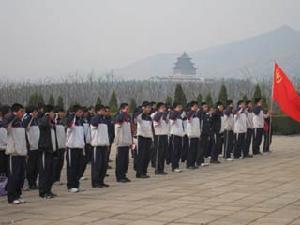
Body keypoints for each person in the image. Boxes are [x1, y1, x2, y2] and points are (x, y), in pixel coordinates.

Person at [4, 103, 27, 204]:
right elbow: (6, 121)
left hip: (21, 153)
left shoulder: (21, 122)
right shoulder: (10, 120)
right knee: (13, 176)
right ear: (15, 111)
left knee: (20, 176)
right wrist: (14, 115)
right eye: (21, 111)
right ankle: (11, 197)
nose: (23, 114)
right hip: (13, 153)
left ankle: (18, 195)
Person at [38, 105, 57, 199]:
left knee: (50, 172)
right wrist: (46, 116)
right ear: (48, 113)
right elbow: (42, 124)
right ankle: (43, 191)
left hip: (51, 151)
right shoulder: (43, 120)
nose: (54, 114)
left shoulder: (51, 122)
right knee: (44, 172)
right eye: (53, 112)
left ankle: (48, 190)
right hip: (45, 150)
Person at [65, 104, 85, 193]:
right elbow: (69, 124)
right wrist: (72, 115)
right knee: (71, 168)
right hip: (72, 148)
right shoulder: (71, 120)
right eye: (79, 112)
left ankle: (76, 185)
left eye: (82, 112)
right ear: (75, 112)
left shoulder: (80, 121)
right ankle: (70, 186)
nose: (81, 114)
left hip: (79, 147)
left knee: (78, 168)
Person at [90, 104, 110, 188]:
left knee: (103, 165)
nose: (104, 112)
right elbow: (94, 123)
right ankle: (95, 182)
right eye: (102, 110)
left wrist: (107, 143)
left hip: (104, 145)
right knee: (97, 165)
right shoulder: (95, 118)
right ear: (98, 111)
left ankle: (101, 181)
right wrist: (98, 115)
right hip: (97, 145)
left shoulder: (104, 120)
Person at [114, 103, 133, 182]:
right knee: (120, 161)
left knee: (125, 161)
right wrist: (123, 113)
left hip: (126, 142)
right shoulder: (119, 116)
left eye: (128, 109)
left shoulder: (127, 118)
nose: (127, 111)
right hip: (121, 142)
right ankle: (119, 177)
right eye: (126, 109)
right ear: (121, 109)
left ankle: (124, 175)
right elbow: (119, 121)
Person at [23, 105, 40, 190]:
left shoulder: (36, 120)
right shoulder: (27, 118)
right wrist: (31, 117)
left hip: (37, 147)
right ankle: (30, 183)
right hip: (31, 147)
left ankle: (34, 183)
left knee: (36, 166)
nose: (37, 113)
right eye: (35, 111)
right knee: (30, 167)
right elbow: (25, 127)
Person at [135, 101, 153, 178]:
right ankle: (139, 172)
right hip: (141, 137)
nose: (149, 109)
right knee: (141, 155)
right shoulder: (140, 116)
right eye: (148, 107)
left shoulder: (149, 117)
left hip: (148, 137)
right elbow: (135, 118)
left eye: (150, 108)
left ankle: (144, 171)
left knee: (147, 156)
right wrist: (141, 111)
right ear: (143, 108)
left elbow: (151, 128)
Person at [152, 102, 169, 174]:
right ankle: (157, 169)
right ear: (158, 108)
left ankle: (161, 169)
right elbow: (155, 123)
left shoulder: (165, 115)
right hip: (158, 135)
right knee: (159, 153)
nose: (164, 109)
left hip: (164, 134)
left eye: (164, 107)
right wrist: (160, 113)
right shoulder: (155, 114)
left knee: (163, 153)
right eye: (162, 107)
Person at [169, 102, 185, 172]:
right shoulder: (173, 114)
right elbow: (171, 122)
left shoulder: (180, 115)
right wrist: (174, 115)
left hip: (180, 135)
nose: (180, 108)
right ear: (175, 107)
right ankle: (174, 167)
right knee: (175, 151)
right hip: (174, 135)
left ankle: (177, 166)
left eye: (180, 107)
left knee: (179, 151)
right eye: (179, 107)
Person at [53, 107, 66, 184]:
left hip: (62, 145)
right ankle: (54, 179)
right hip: (56, 146)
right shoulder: (54, 120)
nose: (63, 114)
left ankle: (57, 178)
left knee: (60, 163)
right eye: (62, 112)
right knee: (55, 163)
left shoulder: (63, 121)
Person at [186, 101, 201, 169]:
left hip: (196, 135)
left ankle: (193, 163)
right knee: (191, 151)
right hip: (191, 135)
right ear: (191, 106)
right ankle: (189, 164)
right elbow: (188, 118)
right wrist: (191, 113)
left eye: (196, 106)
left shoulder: (196, 114)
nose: (196, 107)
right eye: (195, 106)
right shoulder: (190, 113)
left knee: (195, 151)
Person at [79, 107, 92, 181]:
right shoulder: (79, 121)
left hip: (87, 142)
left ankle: (81, 174)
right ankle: (79, 174)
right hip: (81, 143)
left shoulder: (87, 120)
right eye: (84, 112)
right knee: (82, 160)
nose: (86, 114)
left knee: (86, 160)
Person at [199, 102, 212, 166]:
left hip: (206, 133)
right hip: (201, 133)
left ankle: (202, 160)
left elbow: (208, 125)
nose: (206, 108)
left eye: (207, 107)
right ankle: (200, 161)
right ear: (202, 107)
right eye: (205, 107)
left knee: (204, 147)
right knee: (201, 147)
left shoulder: (206, 115)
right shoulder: (200, 114)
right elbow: (200, 125)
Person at [0, 105, 10, 176]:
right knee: (3, 171)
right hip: (2, 150)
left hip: (8, 150)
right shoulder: (2, 124)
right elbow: (4, 138)